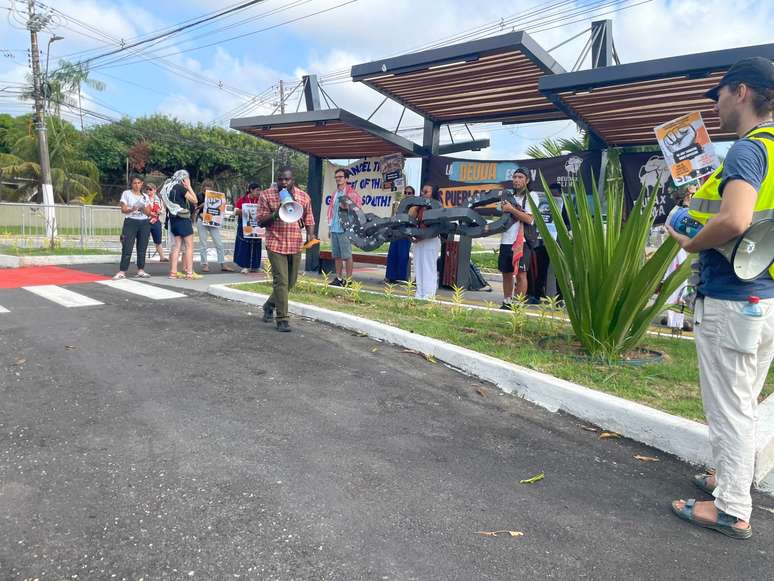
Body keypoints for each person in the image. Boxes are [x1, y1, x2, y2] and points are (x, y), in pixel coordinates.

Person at [667, 56, 774, 540]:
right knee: (743, 399)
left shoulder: (748, 149)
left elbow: (735, 219)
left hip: (733, 297)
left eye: (721, 95)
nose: (717, 107)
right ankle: (728, 479)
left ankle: (731, 508)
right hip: (763, 299)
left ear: (742, 92)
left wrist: (691, 242)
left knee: (730, 407)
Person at [257, 167, 316, 332]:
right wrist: (275, 214)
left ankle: (269, 305)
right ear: (277, 179)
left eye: (287, 179)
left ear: (292, 180)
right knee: (281, 281)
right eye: (280, 179)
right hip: (275, 243)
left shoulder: (303, 197)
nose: (283, 182)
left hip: (295, 244)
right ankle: (282, 319)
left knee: (291, 281)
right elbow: (260, 221)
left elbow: (309, 218)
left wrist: (310, 234)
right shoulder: (266, 195)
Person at [498, 168, 539, 308]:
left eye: (520, 177)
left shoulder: (532, 196)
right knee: (506, 273)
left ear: (527, 180)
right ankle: (507, 301)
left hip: (522, 241)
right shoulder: (508, 196)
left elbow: (529, 219)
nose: (516, 180)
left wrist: (511, 209)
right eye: (515, 177)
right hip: (506, 240)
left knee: (521, 274)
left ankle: (518, 304)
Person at [327, 168, 363, 287]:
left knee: (347, 255)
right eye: (336, 177)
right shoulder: (335, 193)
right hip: (334, 227)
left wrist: (347, 207)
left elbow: (358, 209)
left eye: (340, 177)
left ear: (346, 178)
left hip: (346, 228)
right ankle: (338, 278)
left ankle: (349, 280)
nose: (338, 179)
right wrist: (329, 226)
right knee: (337, 255)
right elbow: (331, 210)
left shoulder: (352, 193)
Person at [114, 175, 151, 280]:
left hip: (144, 222)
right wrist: (132, 209)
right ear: (131, 184)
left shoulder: (145, 196)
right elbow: (123, 209)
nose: (137, 185)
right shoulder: (126, 194)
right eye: (135, 183)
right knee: (127, 246)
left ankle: (141, 270)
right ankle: (122, 271)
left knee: (142, 247)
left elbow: (149, 212)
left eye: (139, 183)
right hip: (131, 221)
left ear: (142, 184)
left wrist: (142, 208)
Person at [408, 184, 442, 300]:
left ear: (433, 194)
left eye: (426, 192)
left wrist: (420, 237)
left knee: (428, 268)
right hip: (418, 241)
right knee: (418, 267)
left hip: (430, 240)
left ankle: (429, 295)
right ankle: (419, 294)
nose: (423, 193)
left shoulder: (437, 207)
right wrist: (416, 206)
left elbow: (434, 227)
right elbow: (411, 217)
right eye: (422, 191)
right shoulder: (419, 206)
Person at [165, 171, 200, 280]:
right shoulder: (180, 188)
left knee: (176, 246)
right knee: (189, 246)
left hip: (173, 219)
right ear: (183, 179)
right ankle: (189, 272)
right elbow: (195, 200)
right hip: (183, 219)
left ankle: (173, 272)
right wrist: (189, 187)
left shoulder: (169, 189)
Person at [195, 180, 234, 273]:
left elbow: (220, 207)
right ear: (202, 188)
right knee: (203, 243)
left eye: (209, 188)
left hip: (213, 221)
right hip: (202, 220)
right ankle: (205, 264)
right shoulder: (198, 196)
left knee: (219, 243)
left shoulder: (216, 196)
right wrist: (202, 205)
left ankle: (223, 264)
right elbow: (195, 208)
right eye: (205, 189)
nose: (206, 190)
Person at [385, 185, 414, 283]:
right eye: (405, 192)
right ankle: (390, 276)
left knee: (402, 255)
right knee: (392, 254)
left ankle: (401, 277)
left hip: (406, 232)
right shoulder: (398, 204)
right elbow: (392, 217)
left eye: (409, 193)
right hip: (396, 232)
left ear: (413, 194)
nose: (407, 194)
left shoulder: (414, 207)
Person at [234, 182, 263, 274]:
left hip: (256, 225)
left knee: (257, 245)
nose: (259, 192)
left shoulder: (260, 200)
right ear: (251, 190)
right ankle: (244, 266)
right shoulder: (243, 199)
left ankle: (255, 266)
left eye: (260, 190)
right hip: (244, 225)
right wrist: (244, 211)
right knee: (245, 245)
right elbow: (235, 211)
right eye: (257, 190)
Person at [144, 182, 167, 263]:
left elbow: (163, 209)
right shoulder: (144, 198)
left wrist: (159, 211)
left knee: (158, 240)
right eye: (147, 189)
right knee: (144, 240)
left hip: (156, 220)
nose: (148, 191)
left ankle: (162, 257)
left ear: (154, 190)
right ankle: (141, 256)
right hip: (146, 220)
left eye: (150, 189)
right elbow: (142, 208)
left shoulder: (158, 199)